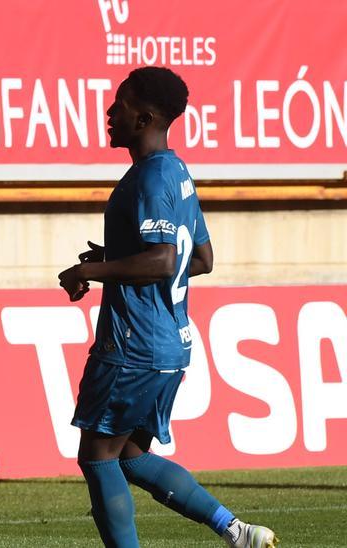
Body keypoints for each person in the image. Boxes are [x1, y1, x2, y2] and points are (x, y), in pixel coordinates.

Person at [56, 66, 277, 548]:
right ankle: (235, 530)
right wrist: (118, 261)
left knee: (96, 455)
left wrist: (90, 272)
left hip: (132, 343)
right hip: (171, 343)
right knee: (131, 456)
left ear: (145, 118)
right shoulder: (177, 172)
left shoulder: (150, 178)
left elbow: (162, 260)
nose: (111, 113)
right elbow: (201, 259)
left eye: (121, 105)